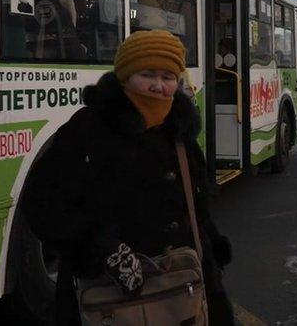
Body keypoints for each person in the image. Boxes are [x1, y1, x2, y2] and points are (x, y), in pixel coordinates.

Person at [22, 29, 234, 325]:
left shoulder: (179, 131)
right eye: (147, 74)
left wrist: (211, 250)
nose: (158, 86)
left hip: (182, 288)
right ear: (125, 77)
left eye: (168, 77)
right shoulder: (88, 130)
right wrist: (104, 251)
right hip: (111, 297)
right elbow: (42, 204)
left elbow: (195, 206)